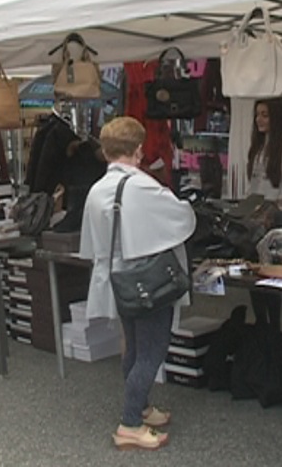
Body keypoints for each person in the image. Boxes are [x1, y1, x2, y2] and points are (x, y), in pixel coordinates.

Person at [79, 116, 197, 450]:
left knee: (133, 346)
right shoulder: (144, 186)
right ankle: (130, 421)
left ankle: (142, 407)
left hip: (116, 280)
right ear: (139, 150)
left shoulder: (96, 190)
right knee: (153, 350)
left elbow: (90, 243)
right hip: (150, 282)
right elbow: (182, 218)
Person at [247, 98, 282, 209]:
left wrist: (280, 209)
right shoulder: (260, 143)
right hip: (255, 211)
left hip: (277, 214)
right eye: (257, 115)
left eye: (265, 115)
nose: (259, 119)